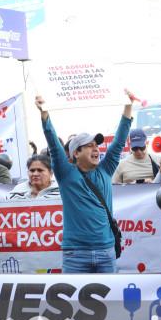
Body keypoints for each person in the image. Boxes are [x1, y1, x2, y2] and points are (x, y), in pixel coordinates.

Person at [36, 89, 135, 273]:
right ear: (76, 153)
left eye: (96, 145)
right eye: (89, 146)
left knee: (109, 294)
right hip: (75, 255)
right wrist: (45, 115)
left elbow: (120, 140)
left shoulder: (105, 169)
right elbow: (54, 146)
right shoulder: (65, 173)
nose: (96, 149)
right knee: (72, 294)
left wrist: (128, 106)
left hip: (106, 253)